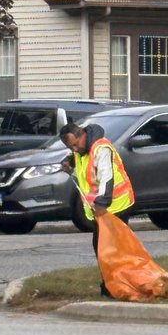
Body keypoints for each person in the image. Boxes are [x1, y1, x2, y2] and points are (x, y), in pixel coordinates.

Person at [59, 120, 135, 297]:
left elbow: (106, 177)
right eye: (71, 148)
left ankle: (115, 287)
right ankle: (112, 285)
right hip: (104, 209)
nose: (75, 150)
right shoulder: (82, 149)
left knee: (109, 248)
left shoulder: (101, 149)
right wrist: (70, 161)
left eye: (75, 145)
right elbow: (82, 161)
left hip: (116, 205)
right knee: (104, 247)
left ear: (82, 134)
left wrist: (102, 203)